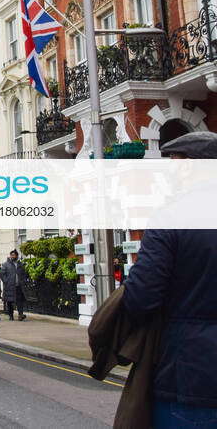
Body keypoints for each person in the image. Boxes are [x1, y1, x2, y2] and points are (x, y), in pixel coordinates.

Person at [122, 131, 217, 425]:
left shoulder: (172, 217)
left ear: (189, 166)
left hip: (190, 373)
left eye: (173, 162)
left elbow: (140, 297)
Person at [1, 250, 27, 321]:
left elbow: (24, 273)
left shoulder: (20, 264)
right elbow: (2, 274)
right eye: (12, 255)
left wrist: (23, 281)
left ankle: (20, 315)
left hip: (18, 286)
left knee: (20, 301)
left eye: (14, 255)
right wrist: (6, 281)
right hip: (9, 286)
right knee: (9, 301)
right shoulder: (6, 264)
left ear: (17, 256)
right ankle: (11, 315)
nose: (13, 256)